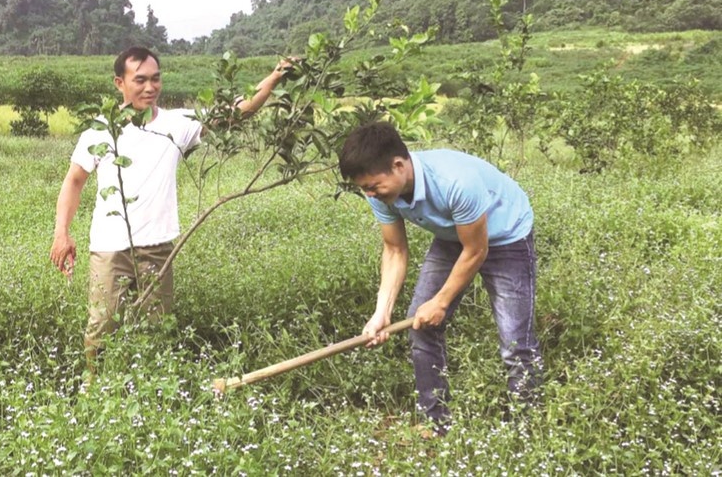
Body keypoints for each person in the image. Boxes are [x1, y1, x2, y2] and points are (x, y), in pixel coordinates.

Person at [50, 46, 290, 369]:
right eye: (140, 80)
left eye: (156, 79)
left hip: (157, 248)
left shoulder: (178, 123)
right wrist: (61, 233)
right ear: (119, 83)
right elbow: (74, 181)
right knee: (101, 327)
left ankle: (151, 391)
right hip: (110, 248)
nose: (150, 88)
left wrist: (274, 78)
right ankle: (94, 389)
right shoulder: (99, 130)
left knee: (156, 329)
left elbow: (236, 111)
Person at [338, 121, 542, 434]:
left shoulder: (455, 182)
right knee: (420, 325)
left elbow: (476, 251)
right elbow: (394, 250)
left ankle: (526, 432)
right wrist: (381, 314)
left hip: (507, 237)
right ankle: (436, 425)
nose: (369, 194)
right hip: (453, 236)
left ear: (398, 165)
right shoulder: (379, 193)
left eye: (374, 186)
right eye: (364, 188)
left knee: (516, 342)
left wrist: (441, 301)